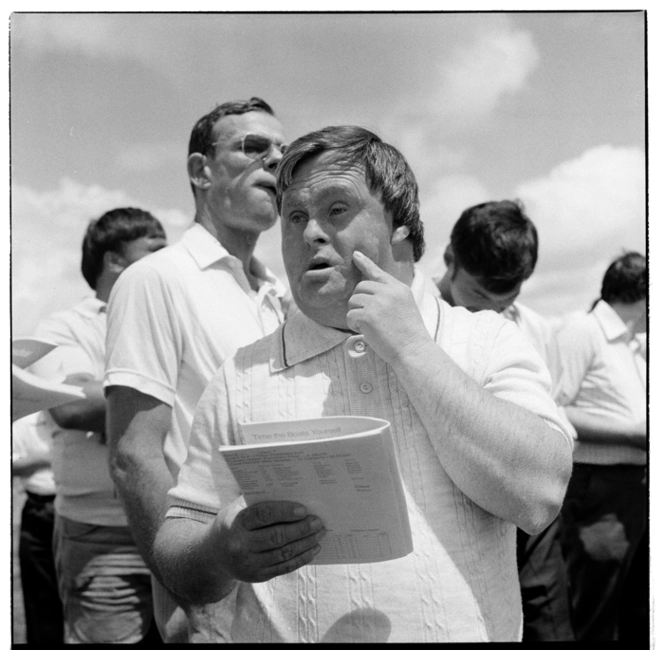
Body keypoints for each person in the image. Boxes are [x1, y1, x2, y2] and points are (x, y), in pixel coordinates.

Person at [152, 125, 574, 642]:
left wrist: (412, 349)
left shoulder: (485, 340)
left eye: (336, 210)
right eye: (296, 217)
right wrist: (220, 550)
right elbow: (175, 552)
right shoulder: (239, 375)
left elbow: (540, 495)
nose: (310, 233)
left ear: (402, 225)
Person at [104, 97, 289, 642]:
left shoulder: (280, 293)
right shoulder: (155, 279)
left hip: (291, 586)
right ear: (200, 170)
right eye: (253, 147)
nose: (276, 161)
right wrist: (195, 593)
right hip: (216, 595)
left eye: (284, 151)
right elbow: (134, 455)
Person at [435, 200, 574, 641]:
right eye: (478, 296)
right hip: (454, 515)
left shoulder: (537, 330)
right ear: (449, 259)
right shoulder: (417, 326)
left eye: (507, 300)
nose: (491, 313)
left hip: (534, 526)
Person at [29, 207, 167, 644]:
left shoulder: (171, 317)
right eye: (155, 251)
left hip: (178, 525)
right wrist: (168, 392)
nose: (169, 263)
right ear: (115, 261)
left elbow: (92, 401)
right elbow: (69, 408)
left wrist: (111, 400)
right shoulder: (62, 327)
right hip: (103, 536)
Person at [556, 251, 647, 641]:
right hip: (598, 491)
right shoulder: (583, 329)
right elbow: (555, 409)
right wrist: (632, 432)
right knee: (597, 613)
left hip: (633, 490)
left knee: (635, 611)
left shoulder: (634, 343)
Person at [12, 412, 64, 645]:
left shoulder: (81, 420)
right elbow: (11, 463)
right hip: (38, 508)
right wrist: (47, 457)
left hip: (75, 509)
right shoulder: (23, 423)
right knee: (40, 598)